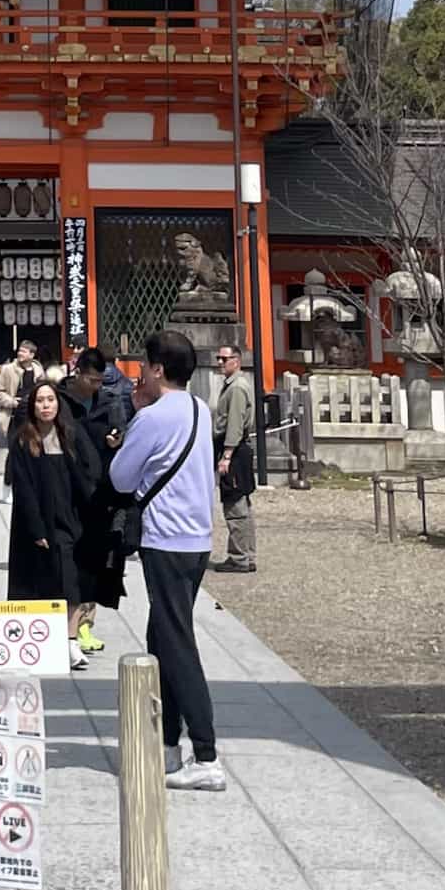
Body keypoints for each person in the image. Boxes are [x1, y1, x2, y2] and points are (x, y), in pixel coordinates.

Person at [109, 329, 222, 793]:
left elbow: (121, 477)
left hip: (167, 537)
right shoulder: (199, 408)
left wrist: (134, 420)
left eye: (144, 367)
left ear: (157, 369)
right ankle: (169, 745)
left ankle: (206, 752)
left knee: (176, 641)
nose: (139, 375)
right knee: (163, 634)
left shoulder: (154, 418)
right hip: (196, 537)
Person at [3, 374, 98, 608]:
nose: (46, 406)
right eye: (40, 401)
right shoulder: (24, 441)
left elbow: (90, 472)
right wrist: (37, 528)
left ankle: (72, 637)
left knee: (72, 582)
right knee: (40, 584)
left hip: (71, 517)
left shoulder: (71, 434)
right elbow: (24, 489)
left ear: (58, 403)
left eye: (50, 400)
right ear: (32, 406)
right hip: (41, 520)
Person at [65, 348, 133, 655]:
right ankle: (64, 626)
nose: (96, 386)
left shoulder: (109, 401)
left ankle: (84, 626)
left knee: (95, 563)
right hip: (68, 486)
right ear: (78, 373)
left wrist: (117, 437)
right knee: (69, 563)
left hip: (100, 489)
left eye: (99, 381)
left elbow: (122, 430)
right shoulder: (61, 400)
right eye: (91, 380)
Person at [212, 341, 260, 572]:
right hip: (235, 447)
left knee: (235, 504)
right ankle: (246, 554)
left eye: (224, 358)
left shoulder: (237, 387)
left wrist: (227, 455)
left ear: (236, 361)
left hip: (235, 449)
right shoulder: (232, 385)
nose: (220, 362)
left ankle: (240, 556)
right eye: (218, 358)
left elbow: (234, 424)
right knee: (241, 503)